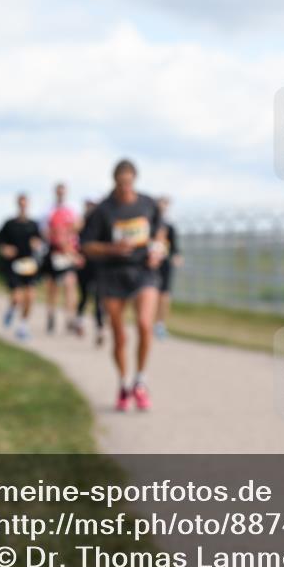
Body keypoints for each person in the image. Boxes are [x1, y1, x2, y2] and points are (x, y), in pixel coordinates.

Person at [80, 159, 167, 412]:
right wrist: (111, 248)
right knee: (120, 337)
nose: (126, 188)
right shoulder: (103, 211)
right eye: (121, 183)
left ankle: (140, 380)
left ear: (135, 180)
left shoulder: (147, 204)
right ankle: (124, 382)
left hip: (143, 272)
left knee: (144, 325)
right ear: (115, 182)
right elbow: (86, 245)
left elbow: (160, 232)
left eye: (130, 183)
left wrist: (158, 250)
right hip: (112, 274)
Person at [0, 194, 43, 341]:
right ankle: (11, 309)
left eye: (25, 203)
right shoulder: (9, 224)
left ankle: (23, 326)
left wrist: (37, 244)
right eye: (21, 203)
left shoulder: (33, 224)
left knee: (30, 296)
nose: (23, 206)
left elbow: (39, 241)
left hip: (28, 264)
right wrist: (5, 249)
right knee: (17, 297)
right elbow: (0, 243)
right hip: (13, 265)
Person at [41, 183, 84, 335]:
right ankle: (51, 315)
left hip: (69, 251)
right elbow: (45, 231)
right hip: (54, 251)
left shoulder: (72, 208)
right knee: (52, 287)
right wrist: (57, 239)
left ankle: (69, 317)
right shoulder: (48, 209)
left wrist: (68, 243)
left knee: (70, 283)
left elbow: (78, 226)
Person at [76, 199, 105, 346]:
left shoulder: (103, 226)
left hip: (99, 267)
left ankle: (100, 329)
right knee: (84, 296)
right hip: (84, 266)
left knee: (99, 299)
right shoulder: (82, 226)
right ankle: (80, 321)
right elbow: (75, 243)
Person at [153, 196, 182, 339]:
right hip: (150, 264)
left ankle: (160, 324)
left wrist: (176, 256)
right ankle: (150, 320)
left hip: (164, 263)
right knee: (151, 293)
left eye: (165, 205)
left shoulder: (169, 226)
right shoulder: (149, 224)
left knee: (164, 295)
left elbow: (175, 246)